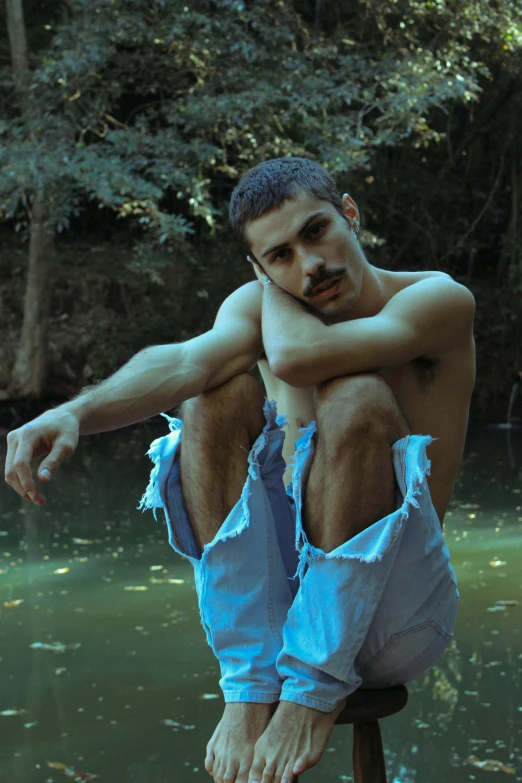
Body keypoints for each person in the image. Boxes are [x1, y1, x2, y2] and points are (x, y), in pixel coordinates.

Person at [4, 157, 476, 783]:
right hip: (284, 614)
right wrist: (73, 411)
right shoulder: (272, 305)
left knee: (355, 395)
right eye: (278, 256)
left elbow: (302, 358)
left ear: (350, 213)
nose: (309, 265)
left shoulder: (437, 299)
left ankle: (313, 683)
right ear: (258, 266)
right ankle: (252, 681)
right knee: (211, 395)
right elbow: (182, 364)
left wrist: (265, 290)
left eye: (316, 232)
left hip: (399, 620)